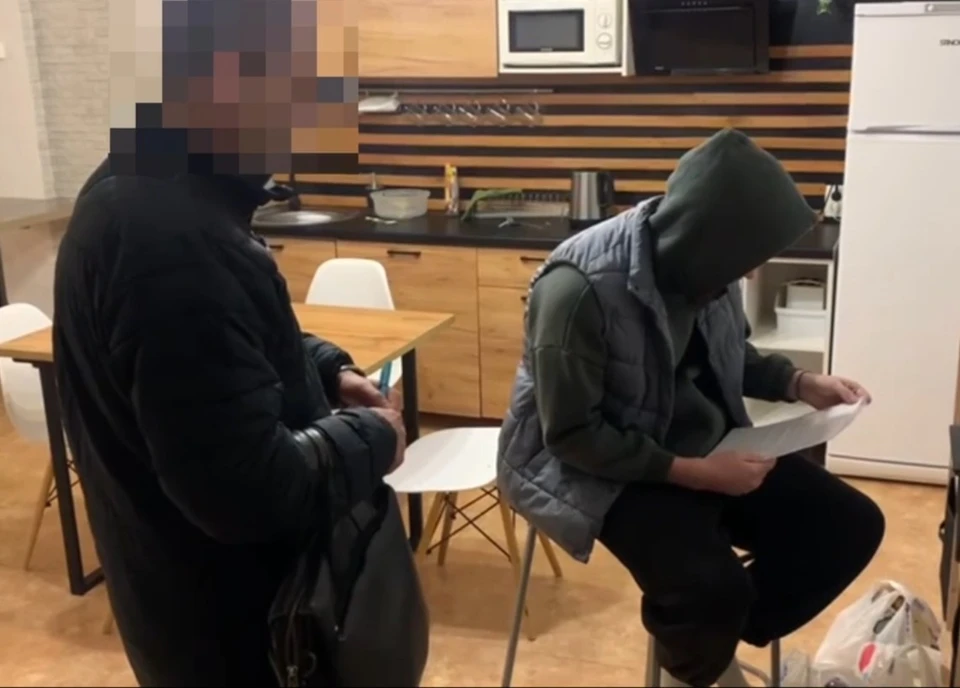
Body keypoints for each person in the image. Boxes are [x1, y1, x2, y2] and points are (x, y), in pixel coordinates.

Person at [53, 2, 401, 686]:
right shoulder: (167, 236)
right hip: (239, 634)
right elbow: (245, 491)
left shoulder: (150, 186)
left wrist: (323, 369)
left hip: (195, 602)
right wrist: (375, 437)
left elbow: (223, 343)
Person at [498, 129, 885, 687]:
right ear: (709, 238)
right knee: (708, 589)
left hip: (699, 447)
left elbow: (731, 355)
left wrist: (800, 382)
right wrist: (697, 474)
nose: (748, 274)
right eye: (745, 260)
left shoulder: (704, 267)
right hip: (595, 468)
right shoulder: (577, 290)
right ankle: (702, 648)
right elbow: (572, 436)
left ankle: (704, 647)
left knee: (849, 527)